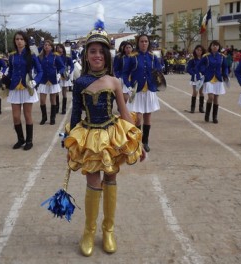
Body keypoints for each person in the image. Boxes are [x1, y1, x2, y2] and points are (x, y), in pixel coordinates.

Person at [63, 13, 146, 256]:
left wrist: (137, 143)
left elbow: (125, 114)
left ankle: (108, 230)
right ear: (86, 56)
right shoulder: (79, 83)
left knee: (110, 178)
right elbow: (76, 115)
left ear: (106, 55)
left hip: (111, 137)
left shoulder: (114, 81)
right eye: (92, 51)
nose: (97, 55)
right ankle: (89, 231)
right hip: (89, 137)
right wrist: (70, 144)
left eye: (101, 51)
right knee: (92, 181)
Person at [122, 34, 162, 152]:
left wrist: (158, 82)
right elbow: (125, 73)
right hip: (136, 90)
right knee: (138, 118)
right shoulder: (132, 57)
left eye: (146, 41)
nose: (144, 43)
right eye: (141, 41)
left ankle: (145, 141)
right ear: (138, 43)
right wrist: (128, 86)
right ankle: (137, 141)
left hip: (149, 89)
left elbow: (159, 72)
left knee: (148, 117)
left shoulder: (153, 57)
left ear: (148, 43)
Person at [5, 31, 43, 150]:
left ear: (25, 41)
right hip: (15, 88)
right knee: (16, 117)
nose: (19, 41)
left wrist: (35, 81)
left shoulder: (31, 54)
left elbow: (40, 71)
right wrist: (4, 80)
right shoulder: (12, 56)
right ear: (15, 41)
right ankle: (20, 139)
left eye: (21, 39)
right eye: (17, 39)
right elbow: (10, 72)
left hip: (27, 87)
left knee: (27, 115)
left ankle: (29, 141)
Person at [197, 40, 229, 124]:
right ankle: (207, 114)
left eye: (217, 46)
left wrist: (225, 74)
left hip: (218, 78)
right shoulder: (206, 56)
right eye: (213, 45)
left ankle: (215, 117)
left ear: (219, 47)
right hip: (209, 79)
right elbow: (200, 65)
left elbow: (225, 67)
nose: (215, 47)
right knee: (210, 97)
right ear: (210, 47)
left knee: (216, 98)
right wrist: (204, 72)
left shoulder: (222, 57)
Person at [37, 39, 65, 125]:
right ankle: (44, 117)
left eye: (48, 45)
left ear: (52, 47)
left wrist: (59, 74)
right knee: (42, 100)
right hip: (43, 79)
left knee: (53, 100)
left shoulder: (55, 56)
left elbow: (62, 67)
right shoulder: (40, 56)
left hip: (53, 79)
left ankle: (52, 118)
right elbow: (37, 67)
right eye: (45, 45)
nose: (46, 46)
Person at [56, 43, 74, 115]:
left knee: (64, 92)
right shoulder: (55, 56)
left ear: (62, 48)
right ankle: (56, 107)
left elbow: (72, 66)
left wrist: (70, 71)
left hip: (65, 75)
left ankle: (63, 108)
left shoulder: (67, 56)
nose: (58, 49)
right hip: (57, 75)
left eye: (60, 47)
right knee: (56, 92)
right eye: (57, 47)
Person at [186, 45, 205, 113]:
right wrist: (193, 74)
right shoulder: (192, 60)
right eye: (197, 50)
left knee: (201, 92)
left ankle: (201, 107)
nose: (199, 51)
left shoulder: (204, 60)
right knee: (195, 92)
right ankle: (192, 107)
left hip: (202, 78)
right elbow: (188, 69)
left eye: (200, 50)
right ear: (195, 51)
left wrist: (203, 73)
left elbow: (206, 67)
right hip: (195, 78)